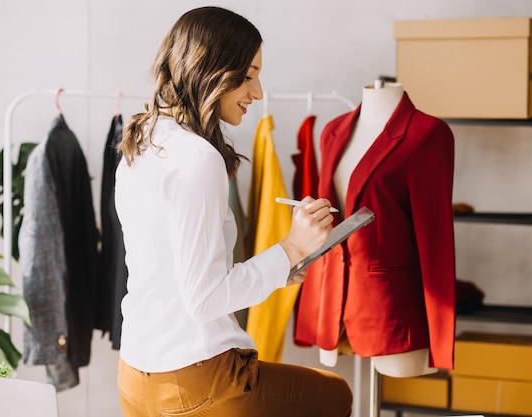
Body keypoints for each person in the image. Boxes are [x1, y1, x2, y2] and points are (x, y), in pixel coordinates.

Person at [114, 6, 353, 417]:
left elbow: (177, 273)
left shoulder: (141, 139)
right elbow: (204, 300)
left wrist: (279, 270)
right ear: (210, 70)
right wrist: (292, 247)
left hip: (135, 375)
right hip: (197, 380)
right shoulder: (198, 160)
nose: (257, 93)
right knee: (337, 396)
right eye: (248, 76)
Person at [294, 80, 456, 377]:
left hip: (391, 311)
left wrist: (440, 337)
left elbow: (436, 243)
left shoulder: (427, 134)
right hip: (333, 303)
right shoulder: (333, 131)